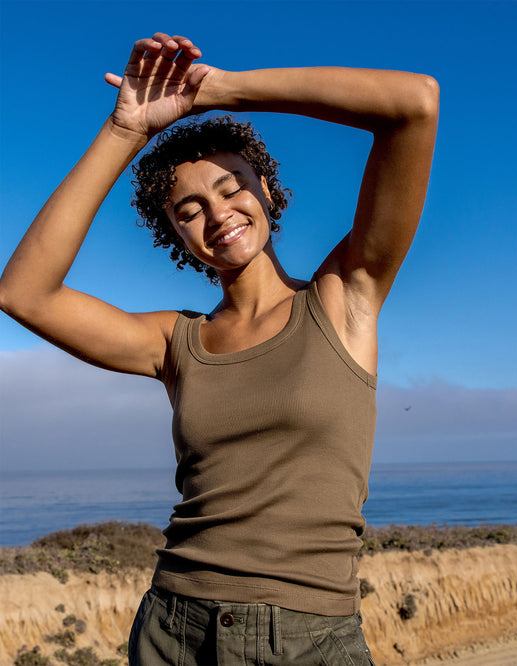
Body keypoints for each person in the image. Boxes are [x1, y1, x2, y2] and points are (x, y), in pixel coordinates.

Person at [0, 33, 439, 665]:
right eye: (190, 208)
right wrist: (126, 130)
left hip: (308, 640)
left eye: (233, 186)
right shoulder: (175, 342)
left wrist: (222, 91)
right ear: (177, 234)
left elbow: (414, 103)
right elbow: (23, 293)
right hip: (174, 628)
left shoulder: (346, 297)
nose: (219, 213)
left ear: (265, 190)